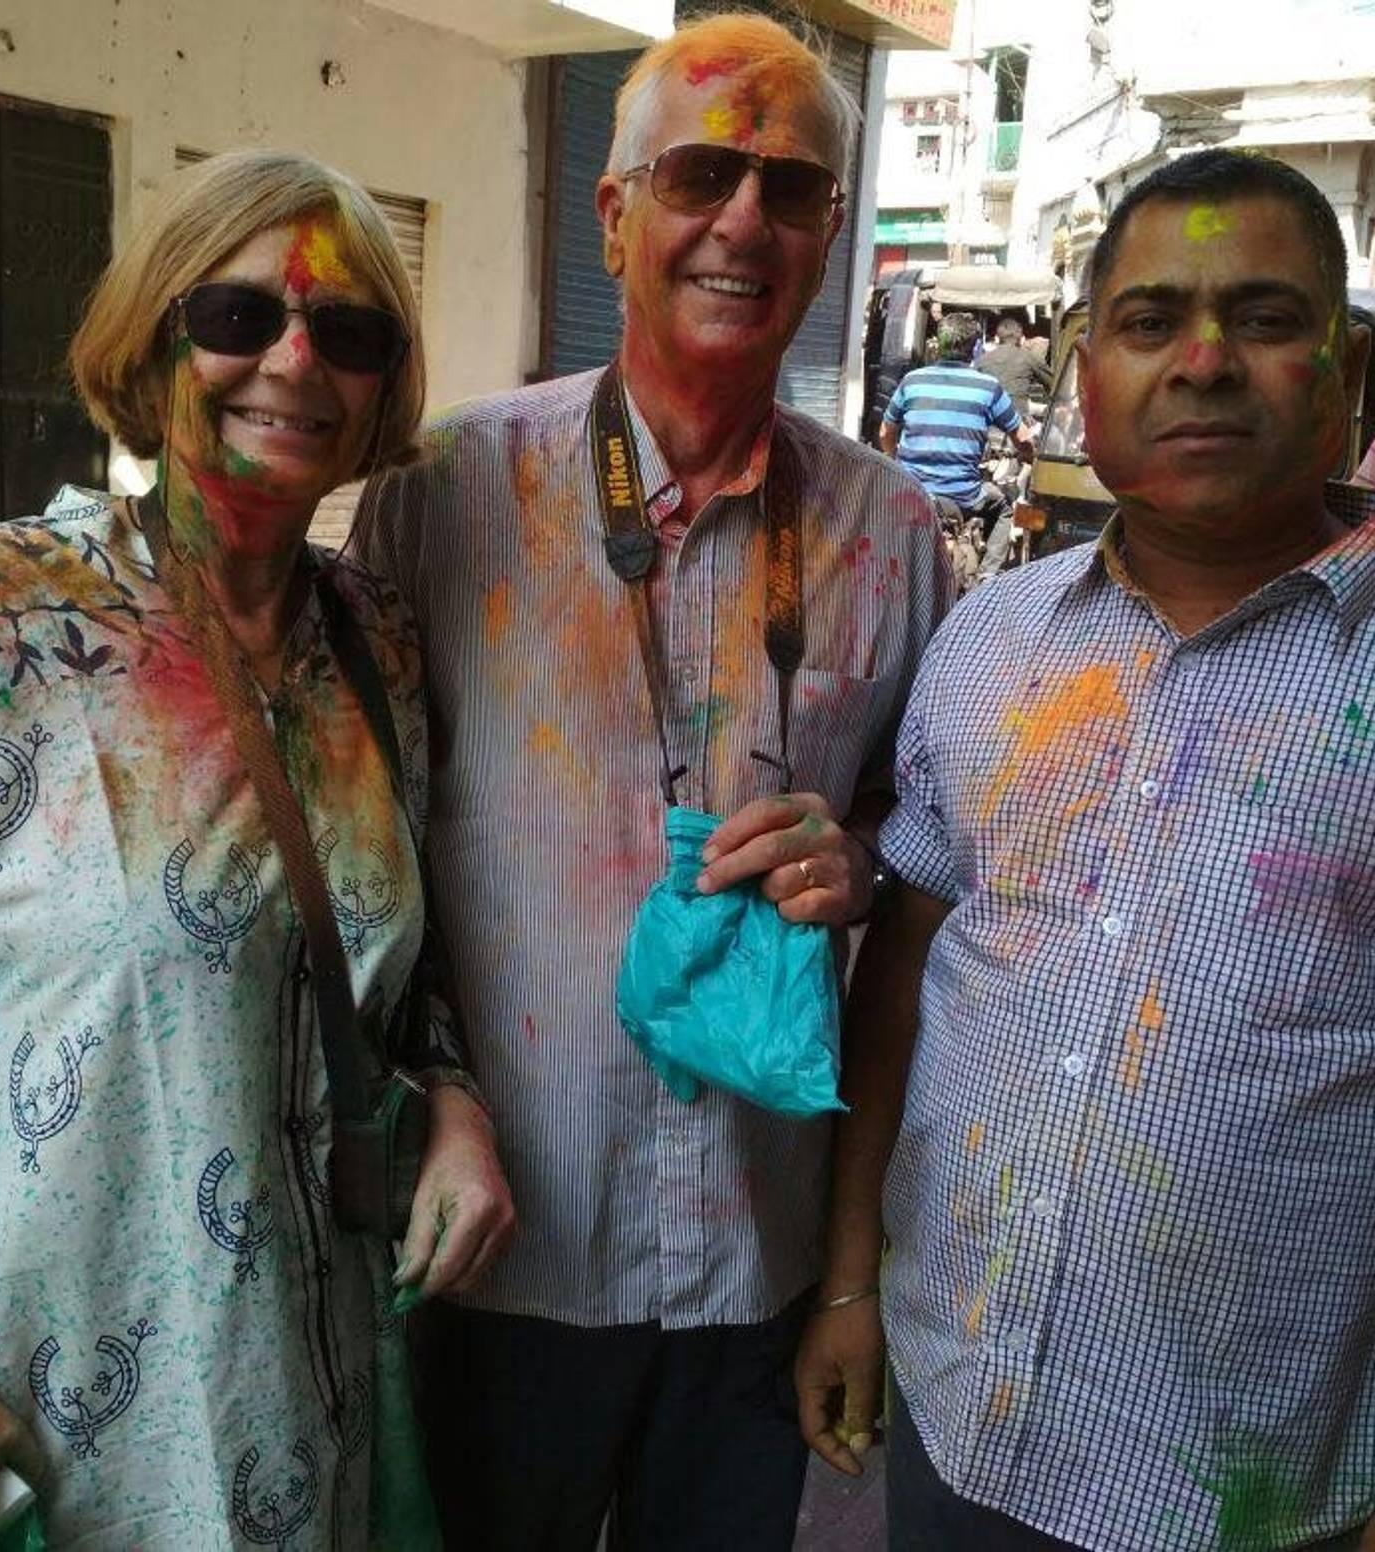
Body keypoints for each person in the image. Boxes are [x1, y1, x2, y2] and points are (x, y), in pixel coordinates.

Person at [0, 148, 514, 1547]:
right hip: (41, 1415)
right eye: (238, 316)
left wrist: (453, 1100)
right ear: (151, 349)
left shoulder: (376, 643)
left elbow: (405, 965)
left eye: (348, 332)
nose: (294, 361)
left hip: (310, 1399)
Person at [351, 14, 952, 1550]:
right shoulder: (443, 490)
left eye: (791, 188)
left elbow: (922, 841)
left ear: (831, 232)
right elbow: (365, 853)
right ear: (616, 217)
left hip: (758, 1250)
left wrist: (858, 864)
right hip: (511, 1245)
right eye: (701, 176)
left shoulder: (892, 533)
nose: (744, 220)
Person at [795, 147, 1375, 1550]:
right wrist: (851, 1281)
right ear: (1084, 368)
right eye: (1152, 319)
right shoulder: (992, 639)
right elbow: (908, 974)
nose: (1205, 362)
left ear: (1350, 369)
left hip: (1244, 1491)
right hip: (954, 1409)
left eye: (1266, 318)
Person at [880, 311, 1035, 584]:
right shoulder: (988, 387)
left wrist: (893, 459)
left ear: (937, 346)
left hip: (910, 493)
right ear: (975, 349)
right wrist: (1028, 455)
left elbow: (885, 432)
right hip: (964, 496)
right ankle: (987, 578)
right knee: (1006, 506)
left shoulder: (912, 380)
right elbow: (1023, 439)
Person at [979, 316, 1053, 419]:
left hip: (989, 417)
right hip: (1018, 418)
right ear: (1021, 338)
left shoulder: (982, 360)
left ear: (997, 338)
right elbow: (1053, 383)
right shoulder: (1028, 357)